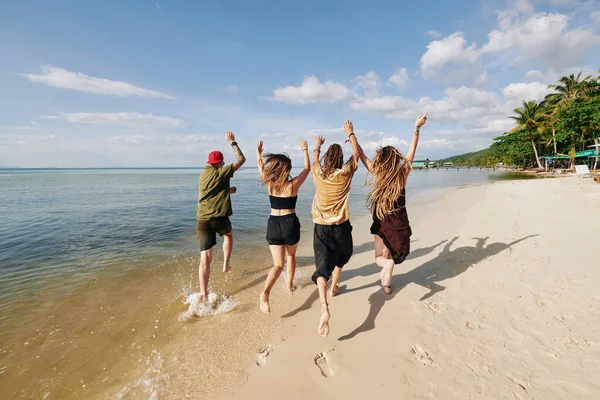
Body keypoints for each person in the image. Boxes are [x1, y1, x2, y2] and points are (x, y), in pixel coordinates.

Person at [357, 113, 428, 294]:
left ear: (381, 161)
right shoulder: (402, 174)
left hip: (382, 222)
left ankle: (386, 268)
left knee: (380, 258)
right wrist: (416, 128)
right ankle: (387, 285)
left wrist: (353, 137)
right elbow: (412, 150)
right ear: (396, 160)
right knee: (390, 254)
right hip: (399, 223)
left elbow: (362, 156)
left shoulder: (377, 174)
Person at [311, 120, 361, 337]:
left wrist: (317, 146)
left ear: (325, 159)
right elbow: (357, 155)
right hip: (341, 226)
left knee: (322, 270)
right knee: (343, 256)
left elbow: (314, 160)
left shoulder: (317, 172)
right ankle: (336, 286)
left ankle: (324, 305)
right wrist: (351, 134)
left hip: (321, 227)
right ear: (341, 159)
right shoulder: (345, 173)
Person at [257, 139, 311, 314]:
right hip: (289, 223)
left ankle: (265, 293)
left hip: (273, 224)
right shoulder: (292, 185)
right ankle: (289, 285)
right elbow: (307, 169)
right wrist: (305, 149)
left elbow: (260, 166)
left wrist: (259, 153)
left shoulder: (270, 185)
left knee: (277, 264)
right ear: (286, 170)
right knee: (291, 256)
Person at [196, 131, 246, 303]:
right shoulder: (222, 171)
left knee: (205, 258)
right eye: (222, 163)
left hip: (203, 219)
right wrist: (233, 142)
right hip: (220, 218)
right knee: (228, 235)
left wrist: (227, 191)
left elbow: (211, 192)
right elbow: (241, 159)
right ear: (219, 163)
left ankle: (203, 295)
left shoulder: (203, 175)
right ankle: (226, 264)